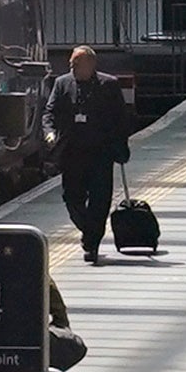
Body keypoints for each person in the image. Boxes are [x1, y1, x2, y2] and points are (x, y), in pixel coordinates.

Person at [46, 42, 136, 263]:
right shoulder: (62, 84)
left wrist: (121, 145)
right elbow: (50, 112)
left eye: (79, 64)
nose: (74, 67)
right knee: (72, 198)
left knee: (100, 200)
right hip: (72, 153)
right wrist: (49, 133)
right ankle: (90, 229)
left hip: (101, 153)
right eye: (73, 64)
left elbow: (121, 119)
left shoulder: (109, 85)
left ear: (92, 64)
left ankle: (91, 244)